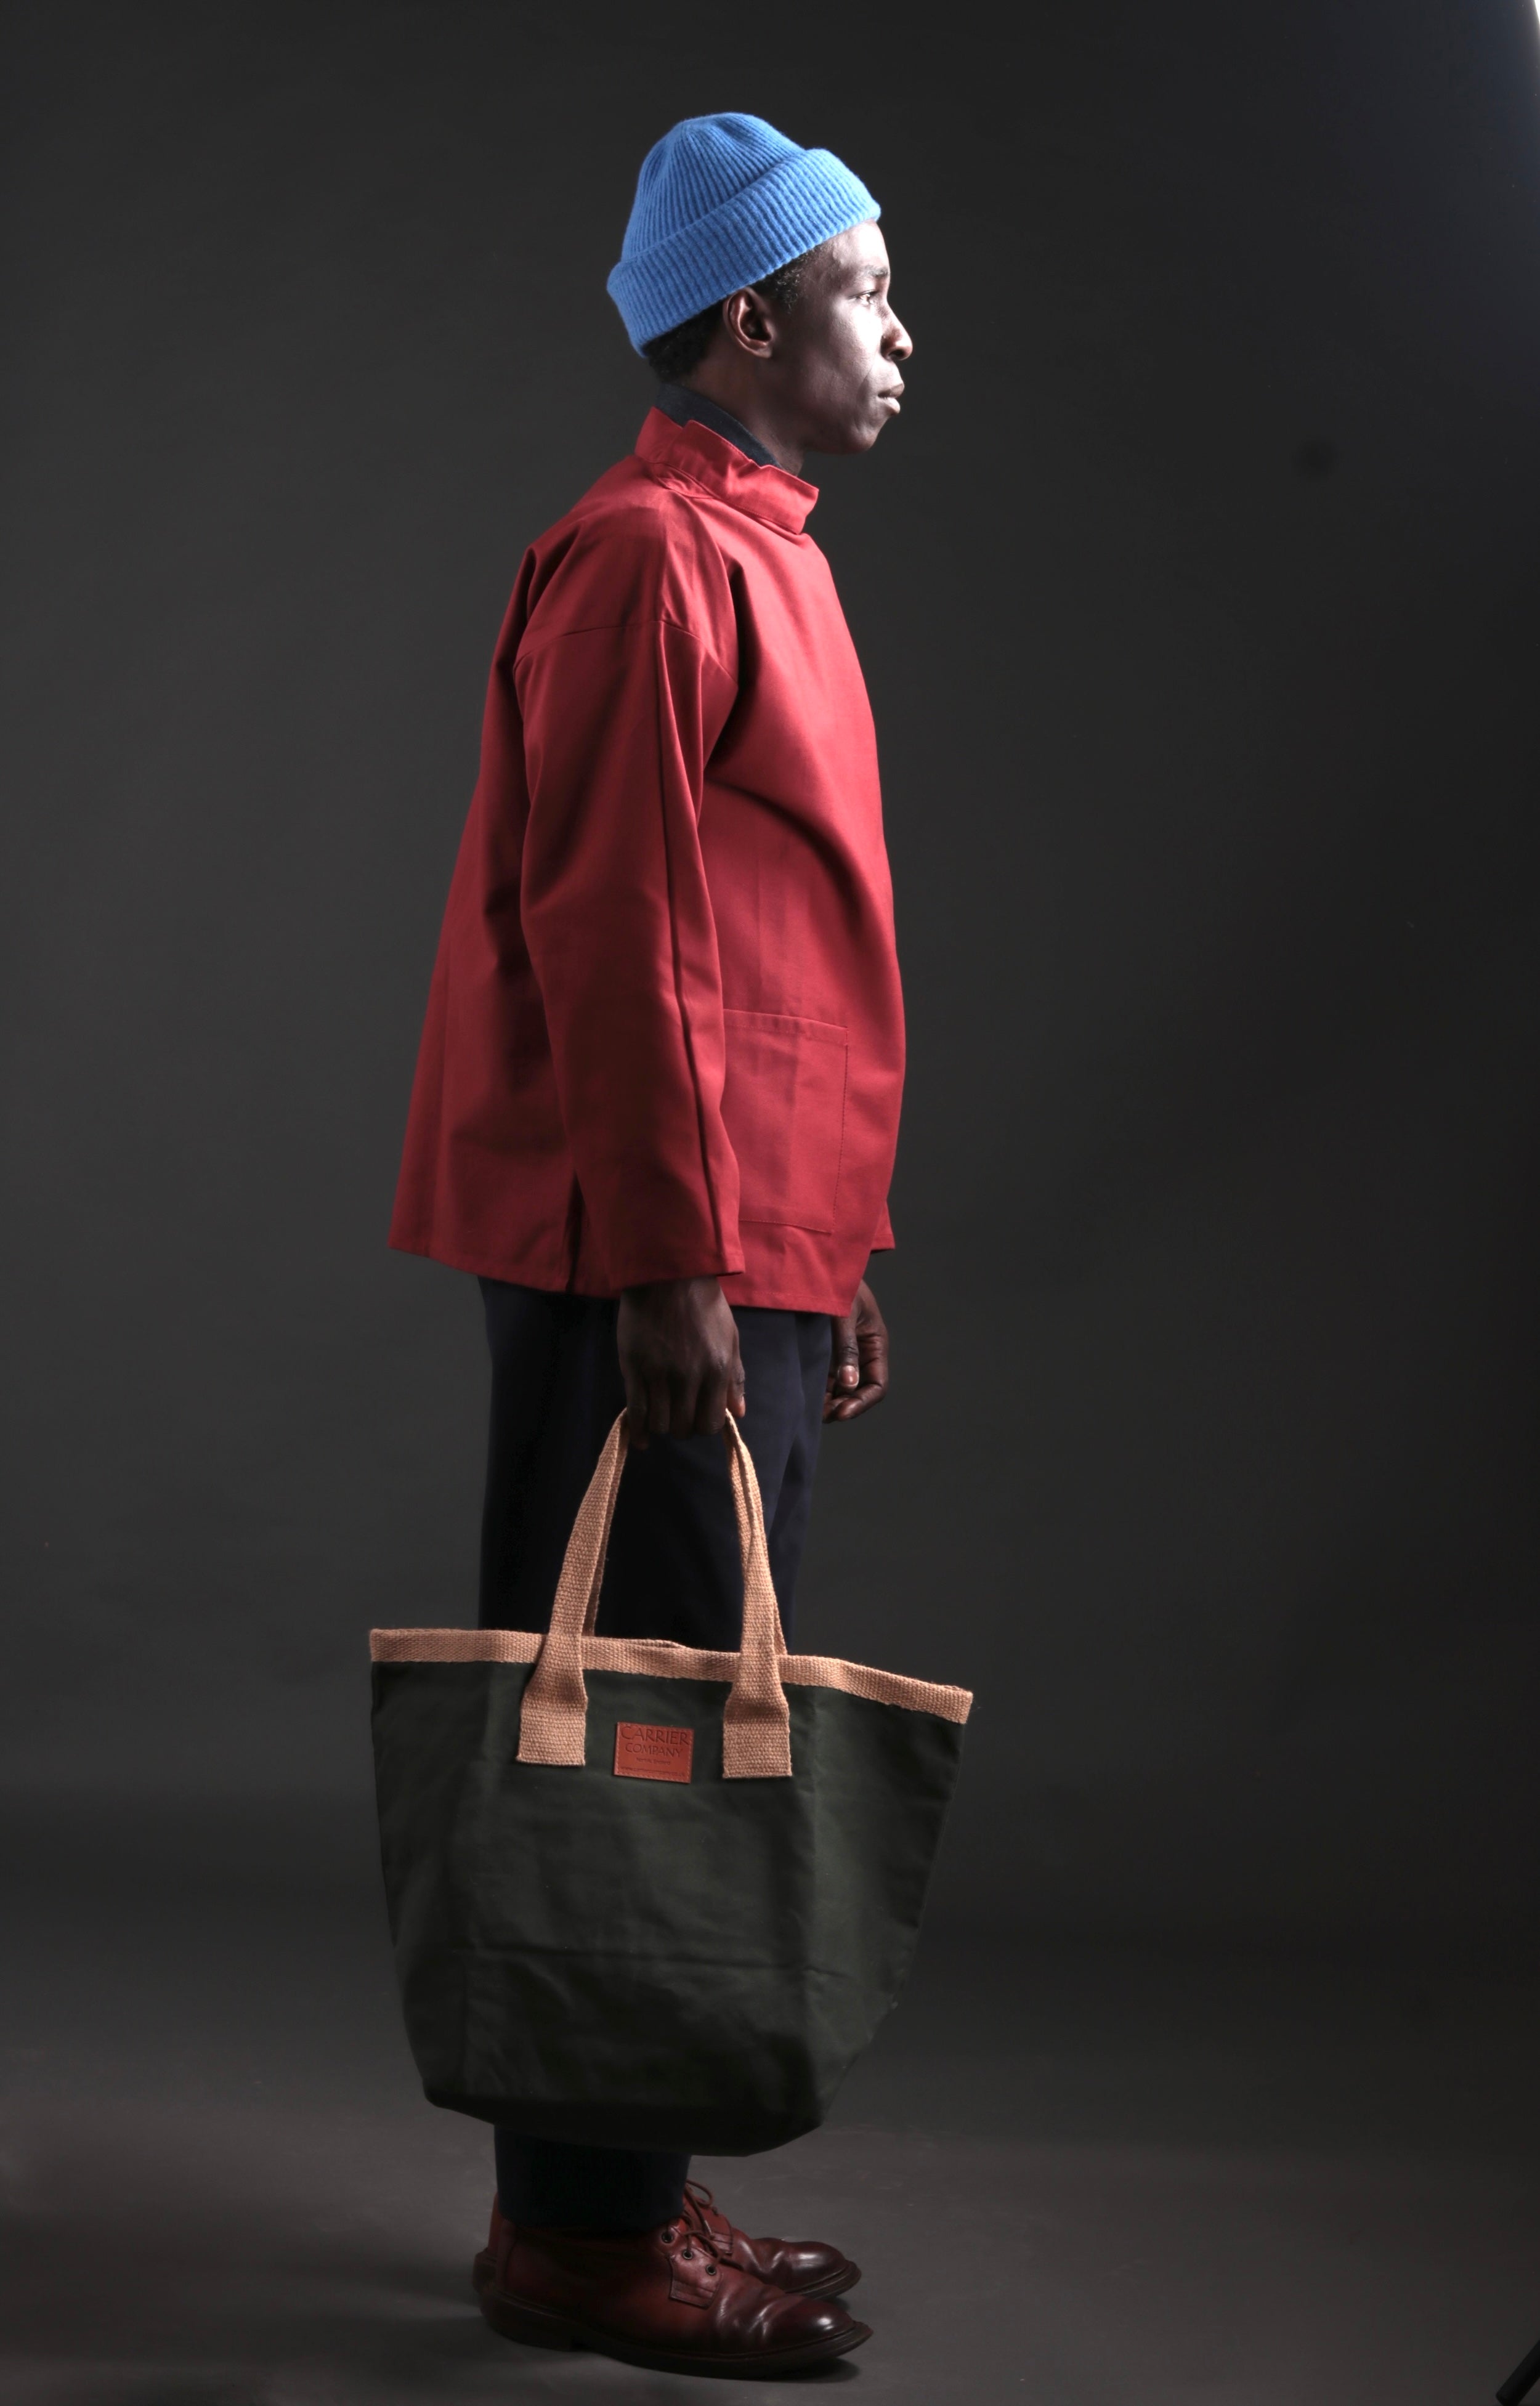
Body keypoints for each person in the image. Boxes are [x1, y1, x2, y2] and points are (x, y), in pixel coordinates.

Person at [388, 110, 912, 2378]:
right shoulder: (641, 558)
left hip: (730, 1235)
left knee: (679, 1709)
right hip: (648, 1245)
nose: (903, 335)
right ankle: (579, 2238)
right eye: (870, 293)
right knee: (634, 1715)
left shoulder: (759, 547)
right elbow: (617, 929)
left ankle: (624, 2187)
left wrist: (825, 1243)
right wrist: (685, 1261)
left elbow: (768, 943)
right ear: (751, 316)